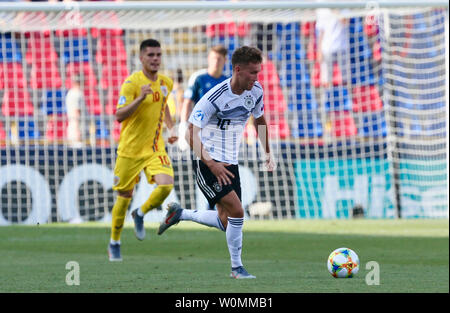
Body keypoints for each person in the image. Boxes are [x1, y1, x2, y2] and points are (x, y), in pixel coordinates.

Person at [158, 46, 276, 279]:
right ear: (238, 69)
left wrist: (268, 153)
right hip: (207, 160)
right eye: (252, 72)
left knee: (226, 221)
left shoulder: (256, 91)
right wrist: (212, 164)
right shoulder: (215, 96)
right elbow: (190, 134)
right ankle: (237, 268)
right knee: (238, 212)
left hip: (230, 162)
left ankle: (180, 214)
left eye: (258, 72)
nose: (256, 77)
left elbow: (260, 121)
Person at [108, 39, 178, 262]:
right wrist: (140, 98)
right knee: (124, 197)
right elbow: (119, 116)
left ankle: (141, 213)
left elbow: (164, 103)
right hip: (130, 150)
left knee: (166, 185)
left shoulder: (166, 82)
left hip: (155, 147)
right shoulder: (131, 84)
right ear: (141, 58)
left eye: (158, 54)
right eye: (150, 55)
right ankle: (115, 242)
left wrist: (171, 126)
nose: (155, 59)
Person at [177, 45, 228, 151]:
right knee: (201, 163)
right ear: (208, 59)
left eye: (219, 59)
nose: (216, 62)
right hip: (200, 129)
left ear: (225, 60)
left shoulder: (227, 82)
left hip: (219, 131)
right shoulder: (199, 78)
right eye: (213, 58)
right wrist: (182, 127)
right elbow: (187, 103)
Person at [315, 8, 350, 87]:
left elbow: (345, 22)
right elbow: (321, 32)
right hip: (326, 49)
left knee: (345, 78)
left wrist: (335, 10)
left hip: (342, 48)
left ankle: (347, 97)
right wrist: (319, 50)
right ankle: (327, 97)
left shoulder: (343, 6)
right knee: (327, 79)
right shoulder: (321, 9)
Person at [65, 74, 85, 147]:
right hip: (76, 128)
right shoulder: (76, 93)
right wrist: (77, 130)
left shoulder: (71, 93)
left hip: (73, 127)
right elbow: (76, 112)